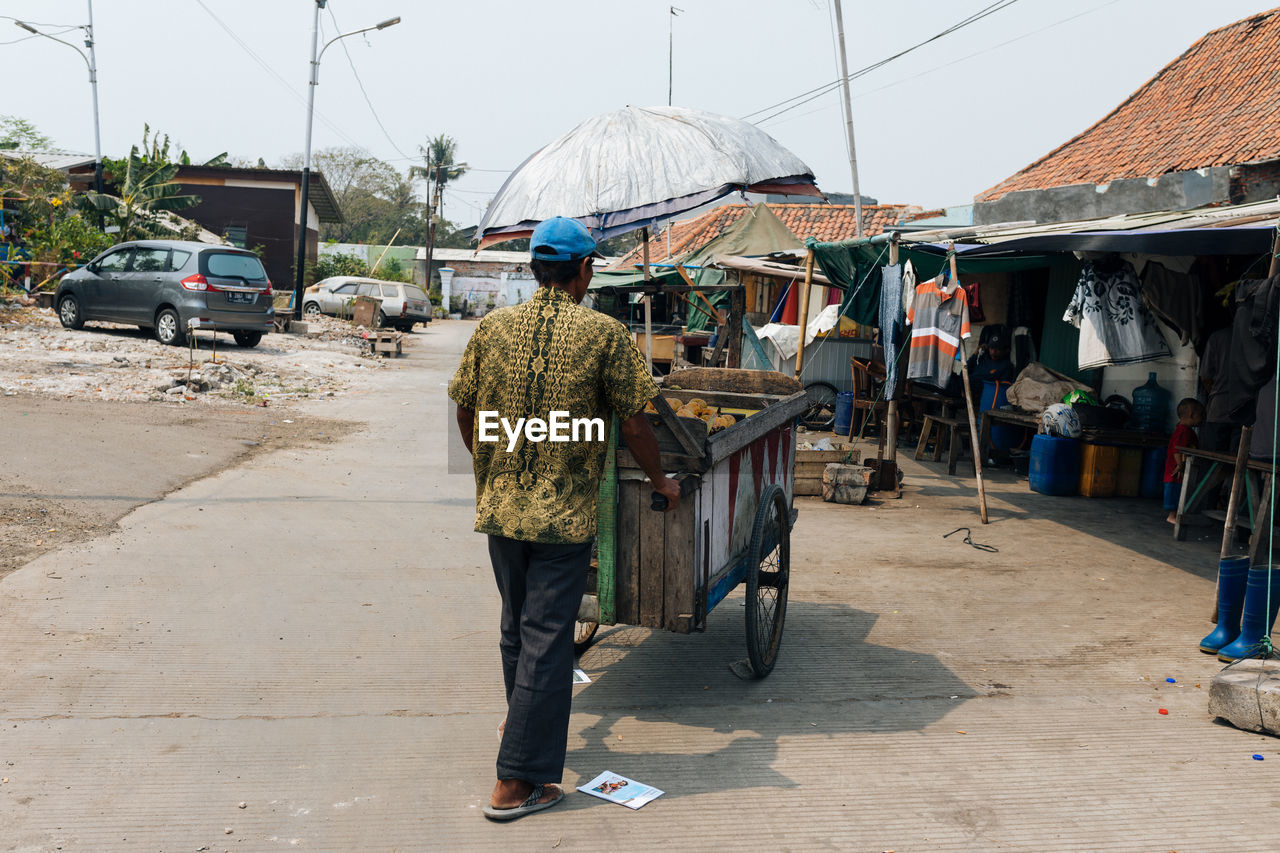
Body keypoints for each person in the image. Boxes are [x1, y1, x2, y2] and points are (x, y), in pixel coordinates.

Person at [449, 216, 681, 822]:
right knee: (549, 639)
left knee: (517, 628)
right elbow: (635, 424)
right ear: (584, 270)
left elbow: (467, 410)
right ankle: (515, 781)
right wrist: (662, 482)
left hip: (501, 510)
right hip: (563, 518)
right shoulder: (603, 335)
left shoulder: (492, 327)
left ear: (532, 269)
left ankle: (522, 728)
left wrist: (490, 467)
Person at [1164, 397, 1205, 524]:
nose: (1202, 418)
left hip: (1180, 469)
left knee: (1181, 493)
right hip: (1177, 471)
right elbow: (1176, 449)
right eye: (1201, 415)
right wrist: (1179, 465)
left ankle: (1176, 515)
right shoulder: (1183, 431)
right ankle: (1172, 516)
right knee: (1176, 493)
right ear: (1192, 415)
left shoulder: (1185, 430)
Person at [1198, 324, 1234, 453]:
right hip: (1247, 412)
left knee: (1212, 464)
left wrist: (1215, 393)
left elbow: (1205, 377)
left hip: (1219, 409)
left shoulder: (1218, 337)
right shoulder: (1257, 336)